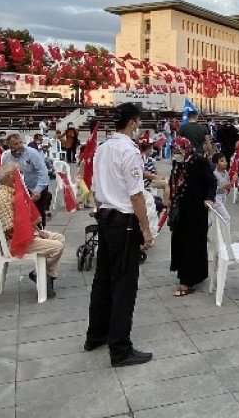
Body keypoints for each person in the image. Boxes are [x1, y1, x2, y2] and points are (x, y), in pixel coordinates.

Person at [86, 103, 154, 367]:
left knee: (103, 279)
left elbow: (94, 185)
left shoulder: (103, 148)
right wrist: (146, 229)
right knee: (124, 283)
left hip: (105, 216)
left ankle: (96, 334)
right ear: (133, 122)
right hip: (123, 221)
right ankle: (120, 348)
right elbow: (135, 194)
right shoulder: (128, 150)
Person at [0, 164, 66, 293]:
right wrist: (31, 225)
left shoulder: (12, 191)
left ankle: (46, 276)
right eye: (19, 174)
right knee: (57, 246)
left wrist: (36, 229)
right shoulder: (3, 198)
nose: (21, 177)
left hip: (25, 234)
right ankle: (41, 274)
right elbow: (10, 230)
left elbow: (21, 217)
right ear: (10, 177)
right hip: (15, 242)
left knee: (59, 237)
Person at [166, 137, 216, 297]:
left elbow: (211, 181)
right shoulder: (178, 163)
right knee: (181, 242)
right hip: (180, 209)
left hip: (195, 210)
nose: (176, 154)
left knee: (193, 243)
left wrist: (209, 198)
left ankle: (189, 280)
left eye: (179, 151)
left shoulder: (198, 161)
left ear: (186, 149)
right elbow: (174, 180)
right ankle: (188, 274)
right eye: (174, 151)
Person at [1, 133, 52, 223]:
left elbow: (43, 171)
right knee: (21, 214)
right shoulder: (6, 157)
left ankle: (41, 231)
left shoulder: (32, 153)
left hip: (36, 185)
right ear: (9, 146)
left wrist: (38, 190)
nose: (20, 145)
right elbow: (4, 175)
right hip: (19, 188)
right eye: (16, 144)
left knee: (38, 213)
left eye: (20, 142)